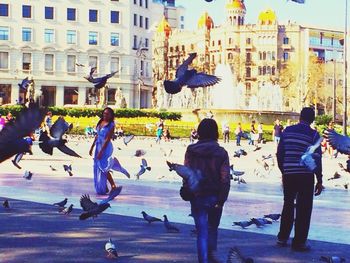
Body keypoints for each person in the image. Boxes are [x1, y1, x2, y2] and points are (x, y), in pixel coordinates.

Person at [276, 107, 323, 252]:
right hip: (305, 175)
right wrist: (319, 179)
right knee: (304, 208)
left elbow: (280, 153)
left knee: (288, 204)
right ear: (312, 119)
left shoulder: (287, 131)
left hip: (289, 174)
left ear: (300, 117)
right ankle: (299, 242)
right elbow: (316, 159)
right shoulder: (314, 134)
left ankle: (282, 237)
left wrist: (284, 171)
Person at [184, 118, 230, 263]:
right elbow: (225, 178)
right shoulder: (221, 153)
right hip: (215, 195)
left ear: (199, 132)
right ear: (216, 133)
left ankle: (203, 260)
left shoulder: (191, 150)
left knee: (201, 232)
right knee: (212, 229)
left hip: (197, 194)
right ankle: (211, 256)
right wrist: (222, 199)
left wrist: (187, 189)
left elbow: (187, 173)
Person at [89, 107, 119, 195]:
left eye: (107, 114)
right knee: (97, 167)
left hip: (105, 148)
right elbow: (97, 136)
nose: (105, 115)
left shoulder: (111, 125)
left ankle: (113, 185)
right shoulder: (100, 122)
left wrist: (101, 151)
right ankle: (104, 186)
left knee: (103, 166)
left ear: (111, 115)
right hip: (98, 146)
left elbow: (107, 139)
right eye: (104, 113)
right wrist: (92, 147)